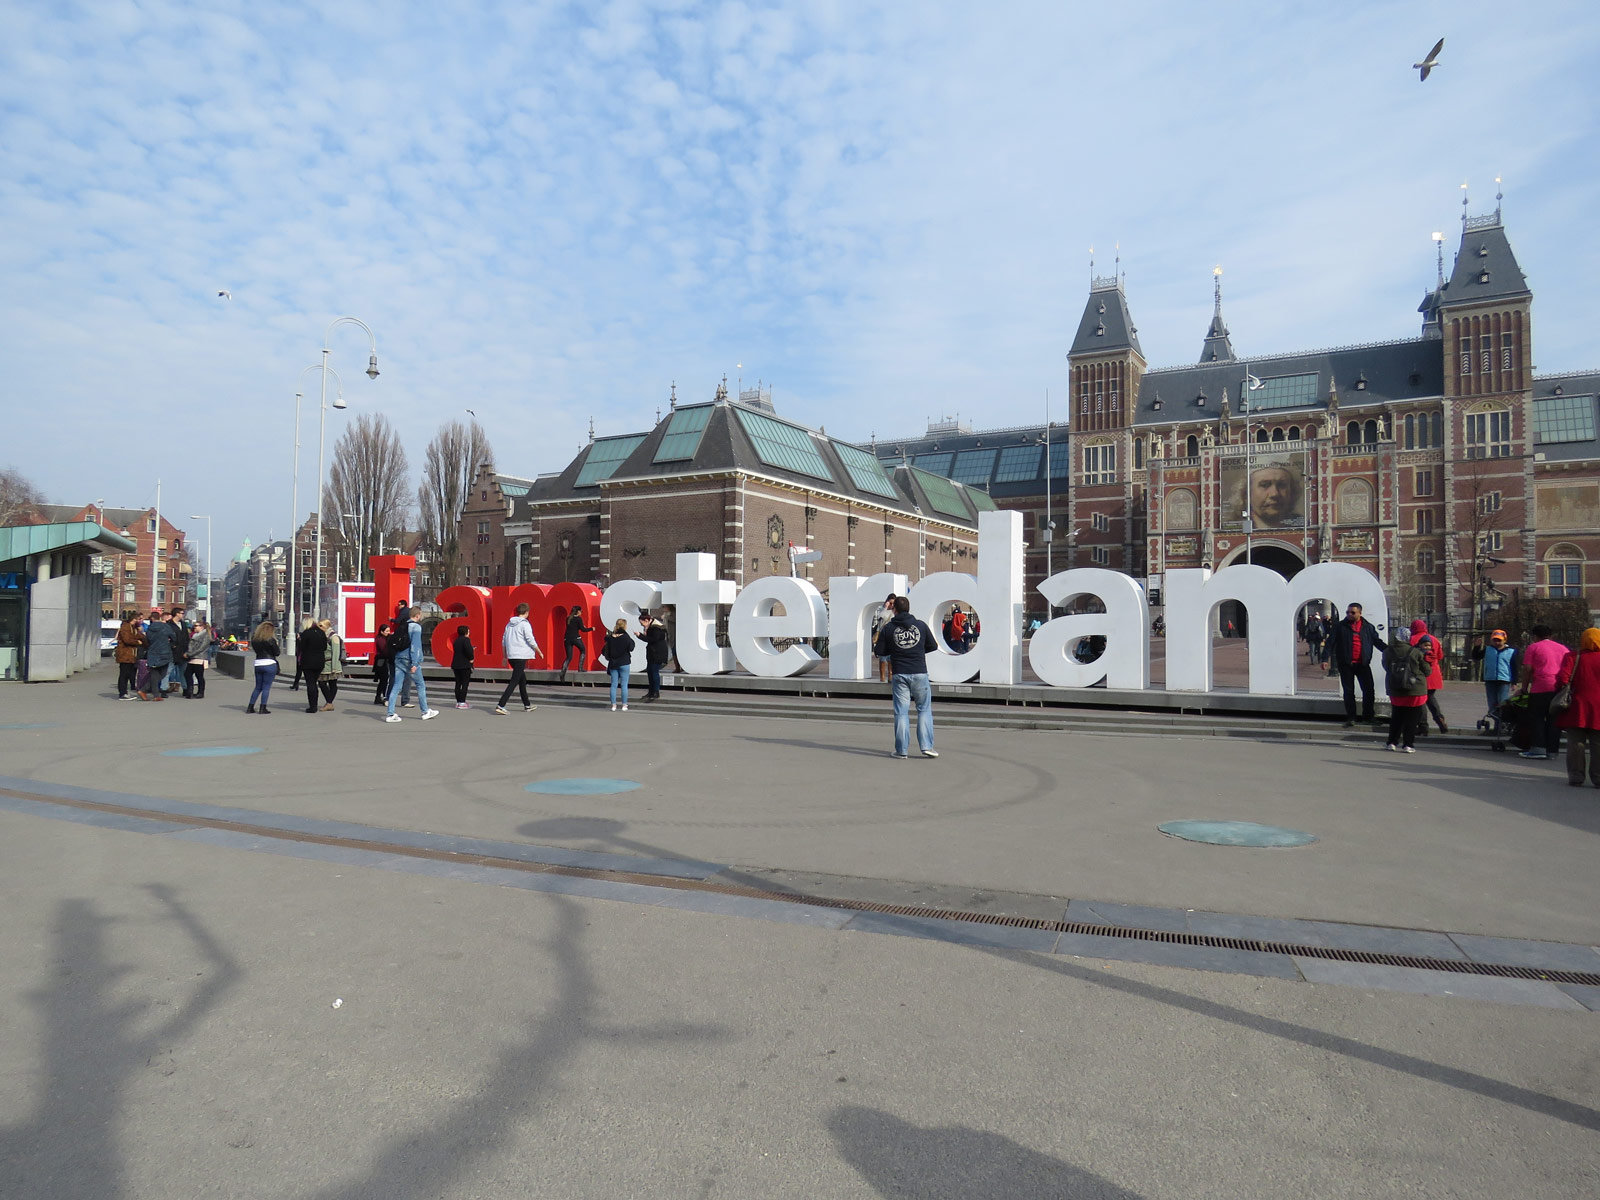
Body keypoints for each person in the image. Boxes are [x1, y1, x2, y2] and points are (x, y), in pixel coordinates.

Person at [874, 595, 938, 759]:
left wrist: (896, 651)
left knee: (901, 712)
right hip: (919, 672)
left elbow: (879, 652)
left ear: (894, 610)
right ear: (909, 609)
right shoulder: (921, 626)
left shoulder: (889, 628)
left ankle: (902, 750)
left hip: (900, 673)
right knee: (924, 709)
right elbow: (933, 645)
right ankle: (927, 746)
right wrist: (916, 651)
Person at [1328, 601, 1386, 728]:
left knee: (1369, 690)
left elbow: (1377, 641)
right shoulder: (1340, 626)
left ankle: (1368, 717)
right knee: (1349, 692)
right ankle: (1351, 717)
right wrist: (1324, 659)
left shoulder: (1368, 627)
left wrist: (1389, 651)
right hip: (1346, 664)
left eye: (1353, 612)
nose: (1350, 614)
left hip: (1363, 664)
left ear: (1360, 613)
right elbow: (1330, 642)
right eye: (1348, 612)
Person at [1555, 628, 1600, 786]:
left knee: (1575, 743)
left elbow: (1563, 678)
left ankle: (1576, 776)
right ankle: (1598, 777)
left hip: (1577, 706)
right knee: (1598, 744)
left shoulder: (1574, 656)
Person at [1516, 624, 1568, 760]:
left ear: (1535, 636)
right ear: (1551, 635)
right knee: (1554, 720)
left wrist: (1524, 687)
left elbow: (1527, 669)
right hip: (1558, 688)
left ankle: (1538, 748)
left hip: (1540, 687)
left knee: (1537, 718)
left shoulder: (1533, 647)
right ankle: (1552, 751)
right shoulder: (1562, 649)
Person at [1383, 621, 1433, 752]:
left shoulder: (1388, 651)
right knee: (1411, 718)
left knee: (1396, 716)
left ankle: (1392, 742)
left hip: (1395, 688)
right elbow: (1427, 670)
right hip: (1415, 689)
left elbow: (1386, 667)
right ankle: (1408, 744)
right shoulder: (1415, 652)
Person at [385, 607, 438, 723]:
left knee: (397, 686)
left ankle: (390, 713)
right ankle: (425, 711)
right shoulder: (416, 627)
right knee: (420, 684)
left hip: (398, 658)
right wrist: (415, 663)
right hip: (409, 659)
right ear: (418, 615)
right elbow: (415, 646)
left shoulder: (403, 626)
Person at [495, 603, 541, 715]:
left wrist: (505, 656)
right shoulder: (525, 624)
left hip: (512, 655)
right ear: (527, 612)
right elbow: (530, 639)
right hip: (521, 656)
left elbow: (504, 641)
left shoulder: (509, 624)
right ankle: (501, 704)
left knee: (522, 680)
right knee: (514, 681)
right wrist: (539, 651)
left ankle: (527, 705)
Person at [1472, 630, 1518, 730]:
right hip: (1490, 680)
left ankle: (1502, 723)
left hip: (1504, 680)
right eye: (1495, 640)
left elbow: (1514, 667)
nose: (1497, 643)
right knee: (1492, 703)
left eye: (1499, 640)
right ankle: (1497, 723)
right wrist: (1476, 647)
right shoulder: (1487, 650)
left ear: (1504, 640)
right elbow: (1476, 657)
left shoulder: (1511, 652)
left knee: (1502, 703)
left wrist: (1514, 682)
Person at [1411, 617, 1449, 734]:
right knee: (1431, 698)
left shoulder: (1413, 639)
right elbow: (1440, 656)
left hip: (1420, 674)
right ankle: (1439, 718)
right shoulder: (1434, 639)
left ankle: (1423, 726)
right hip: (1434, 674)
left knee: (1420, 700)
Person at [1243, 463, 1302, 528]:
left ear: (1292, 491)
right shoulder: (1233, 526)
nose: (1275, 494)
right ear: (1247, 493)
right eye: (1264, 485)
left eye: (1281, 485)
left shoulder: (1306, 526)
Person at [141, 607, 176, 701]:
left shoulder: (149, 629)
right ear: (160, 618)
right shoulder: (165, 627)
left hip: (153, 652)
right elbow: (174, 637)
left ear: (152, 619)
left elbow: (147, 640)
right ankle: (145, 690)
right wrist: (170, 643)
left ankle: (154, 694)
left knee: (154, 673)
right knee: (163, 673)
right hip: (164, 651)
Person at [602, 617, 635, 711]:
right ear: (625, 626)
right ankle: (624, 705)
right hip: (624, 662)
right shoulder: (625, 637)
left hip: (613, 663)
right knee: (624, 685)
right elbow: (631, 647)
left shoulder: (610, 637)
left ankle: (613, 705)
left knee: (613, 684)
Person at [247, 619, 280, 714]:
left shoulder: (255, 640)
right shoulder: (271, 640)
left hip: (258, 663)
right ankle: (263, 707)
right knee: (266, 687)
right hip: (269, 663)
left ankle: (250, 707)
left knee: (258, 687)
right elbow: (277, 653)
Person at [298, 616, 329, 714]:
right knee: (314, 682)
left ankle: (313, 706)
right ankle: (314, 704)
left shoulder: (306, 634)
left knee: (310, 684)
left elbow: (301, 647)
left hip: (308, 661)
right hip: (320, 661)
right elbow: (324, 647)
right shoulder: (321, 633)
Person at [114, 612, 145, 700]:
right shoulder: (126, 627)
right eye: (139, 619)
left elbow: (141, 637)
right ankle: (122, 693)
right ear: (134, 619)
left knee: (128, 674)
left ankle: (125, 692)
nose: (140, 621)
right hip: (125, 654)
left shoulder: (134, 628)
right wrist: (137, 642)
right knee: (124, 674)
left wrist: (146, 641)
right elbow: (127, 639)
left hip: (131, 655)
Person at [640, 610, 669, 701]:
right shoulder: (654, 627)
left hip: (657, 653)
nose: (642, 625)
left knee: (654, 672)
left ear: (647, 620)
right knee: (650, 672)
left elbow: (652, 639)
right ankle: (651, 691)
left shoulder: (656, 628)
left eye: (642, 623)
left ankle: (655, 692)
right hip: (653, 653)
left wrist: (640, 636)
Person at [558, 609, 595, 682]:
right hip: (576, 638)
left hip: (567, 639)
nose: (581, 613)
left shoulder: (568, 618)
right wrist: (591, 628)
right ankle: (580, 668)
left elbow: (572, 627)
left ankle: (563, 672)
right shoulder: (578, 619)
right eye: (581, 611)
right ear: (578, 611)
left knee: (569, 657)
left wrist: (579, 626)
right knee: (583, 650)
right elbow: (583, 629)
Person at [317, 618, 344, 711]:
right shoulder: (323, 636)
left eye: (321, 626)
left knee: (331, 684)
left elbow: (336, 652)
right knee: (322, 683)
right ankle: (329, 702)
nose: (319, 628)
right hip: (324, 664)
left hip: (331, 664)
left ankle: (329, 702)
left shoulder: (333, 637)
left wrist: (334, 668)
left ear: (326, 626)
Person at [185, 618, 212, 699]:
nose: (194, 627)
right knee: (187, 674)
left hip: (200, 658)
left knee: (199, 676)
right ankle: (190, 690)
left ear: (202, 627)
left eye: (196, 626)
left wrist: (189, 654)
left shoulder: (205, 635)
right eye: (194, 626)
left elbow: (201, 648)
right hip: (192, 658)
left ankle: (200, 692)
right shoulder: (195, 635)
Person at [871, 594, 896, 682]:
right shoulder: (882, 610)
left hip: (891, 636)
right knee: (882, 658)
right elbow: (880, 618)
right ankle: (882, 677)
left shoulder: (895, 612)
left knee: (891, 658)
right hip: (882, 635)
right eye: (890, 603)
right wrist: (885, 608)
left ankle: (890, 676)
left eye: (893, 603)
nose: (891, 605)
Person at [451, 623, 475, 709]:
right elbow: (468, 651)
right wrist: (471, 658)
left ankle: (458, 701)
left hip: (455, 664)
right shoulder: (466, 640)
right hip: (464, 665)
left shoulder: (456, 641)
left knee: (458, 683)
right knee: (465, 684)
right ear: (466, 632)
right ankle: (462, 702)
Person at [371, 620, 395, 705]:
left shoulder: (385, 638)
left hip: (383, 661)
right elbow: (384, 651)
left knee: (383, 680)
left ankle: (378, 697)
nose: (388, 633)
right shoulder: (380, 639)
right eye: (387, 631)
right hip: (381, 661)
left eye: (389, 631)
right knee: (383, 680)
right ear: (382, 631)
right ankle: (381, 696)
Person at [289, 616, 314, 691]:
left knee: (302, 671)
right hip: (301, 655)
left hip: (303, 656)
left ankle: (297, 684)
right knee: (299, 671)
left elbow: (302, 646)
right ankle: (296, 684)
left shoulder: (305, 634)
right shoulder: (302, 634)